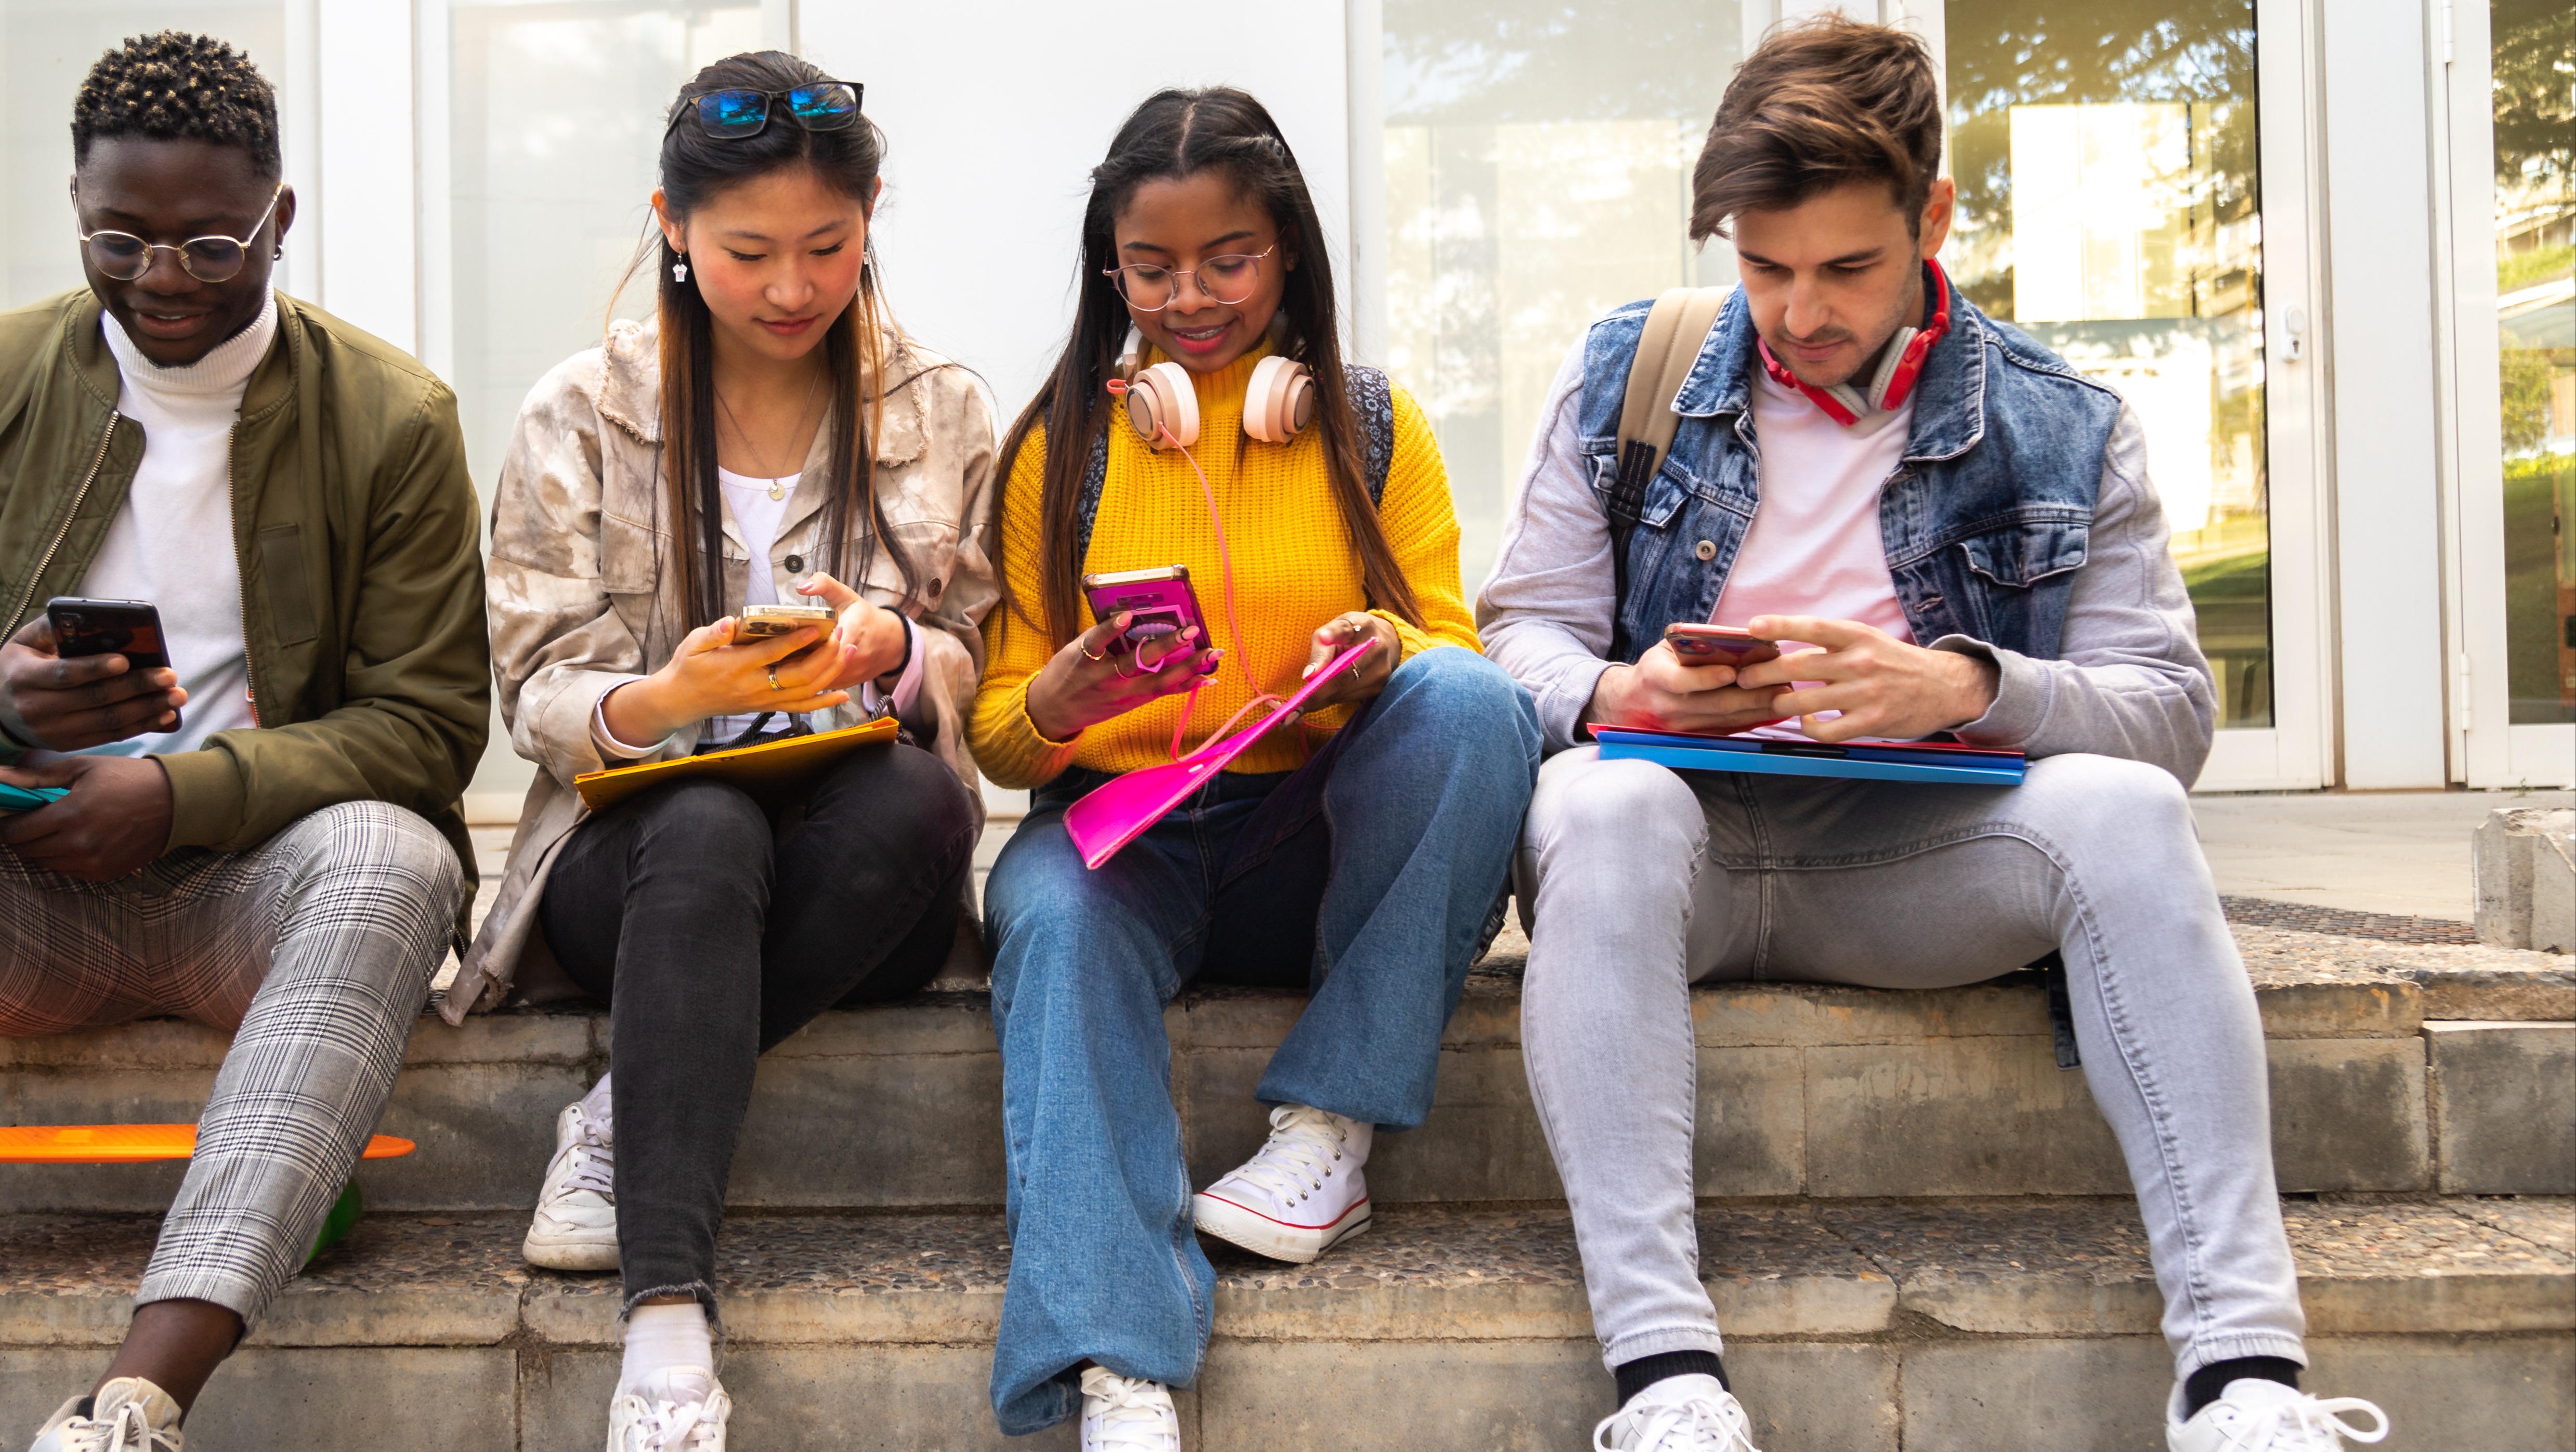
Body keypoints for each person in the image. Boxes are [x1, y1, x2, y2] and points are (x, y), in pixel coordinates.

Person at [1478, 18, 2391, 1452]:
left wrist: (1968, 688)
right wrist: (1619, 696)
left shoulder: (2059, 425)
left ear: (1934, 218)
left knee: (2132, 815)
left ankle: (2241, 1379)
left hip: (1919, 874)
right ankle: (1661, 1379)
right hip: (1670, 861)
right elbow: (1517, 633)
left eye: (1843, 266)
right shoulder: (1627, 373)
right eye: (1762, 268)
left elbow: (2164, 712)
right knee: (1600, 800)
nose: (1797, 311)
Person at [0, 31, 489, 1452]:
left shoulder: (392, 418)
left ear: (280, 220)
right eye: (119, 243)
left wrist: (181, 797)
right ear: (78, 212)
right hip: (15, 893)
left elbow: (427, 725)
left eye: (208, 244)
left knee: (394, 852)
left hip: (247, 900)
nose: (163, 282)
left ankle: (131, 1404)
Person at [975, 88, 1540, 1450]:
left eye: (1226, 258)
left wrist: (1381, 645)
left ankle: (1328, 1131)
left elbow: (1462, 665)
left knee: (1468, 701)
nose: (1188, 297)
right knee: (1047, 914)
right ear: (1110, 270)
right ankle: (1118, 1363)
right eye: (1149, 268)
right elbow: (998, 731)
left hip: (1308, 831)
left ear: (1287, 247)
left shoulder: (1368, 423)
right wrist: (1057, 695)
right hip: (1122, 834)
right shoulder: (1063, 446)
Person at [461, 51, 1000, 1452]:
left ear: (872, 216)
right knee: (704, 825)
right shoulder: (580, 409)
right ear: (671, 226)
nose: (789, 285)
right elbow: (532, 684)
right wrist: (662, 700)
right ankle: (665, 1323)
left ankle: (624, 1106)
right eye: (746, 249)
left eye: (826, 245)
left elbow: (982, 659)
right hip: (632, 863)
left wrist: (897, 654)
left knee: (919, 804)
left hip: (853, 868)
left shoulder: (938, 404)